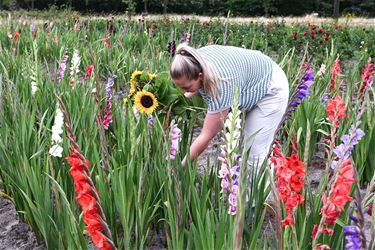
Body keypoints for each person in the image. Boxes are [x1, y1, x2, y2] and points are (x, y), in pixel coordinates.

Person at [169, 44, 289, 177]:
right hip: (249, 78)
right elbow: (192, 88)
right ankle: (244, 193)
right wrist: (177, 103)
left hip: (270, 89)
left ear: (200, 76)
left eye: (186, 88)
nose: (183, 92)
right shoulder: (192, 60)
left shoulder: (221, 87)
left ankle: (260, 196)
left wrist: (178, 170)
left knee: (253, 154)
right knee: (243, 151)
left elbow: (206, 136)